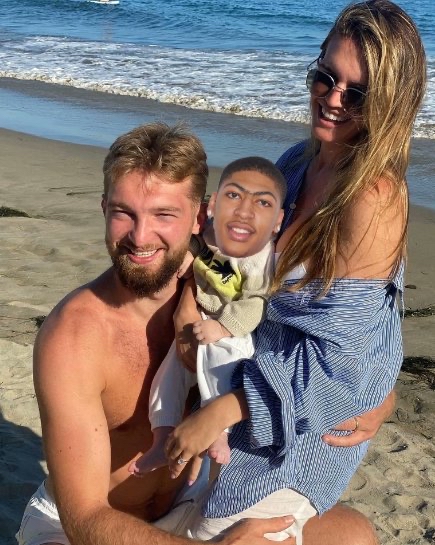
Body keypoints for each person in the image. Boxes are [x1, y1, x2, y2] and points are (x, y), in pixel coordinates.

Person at [15, 121, 392, 545]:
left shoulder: (222, 291)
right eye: (124, 212)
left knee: (353, 534)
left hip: (190, 503)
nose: (140, 237)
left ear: (200, 217)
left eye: (163, 215)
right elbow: (85, 519)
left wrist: (377, 393)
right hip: (84, 526)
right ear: (104, 208)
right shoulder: (74, 336)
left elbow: (324, 343)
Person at [165, 1, 426, 543]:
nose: (332, 99)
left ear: (391, 103)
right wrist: (189, 307)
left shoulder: (372, 199)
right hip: (239, 381)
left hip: (296, 430)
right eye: (325, 76)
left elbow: (343, 366)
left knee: (218, 530)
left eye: (357, 93)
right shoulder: (295, 164)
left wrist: (226, 410)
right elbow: (231, 260)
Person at [129, 157, 286, 476]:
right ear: (214, 203)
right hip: (200, 317)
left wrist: (223, 327)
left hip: (233, 331)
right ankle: (161, 436)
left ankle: (218, 432)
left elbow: (256, 302)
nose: (244, 211)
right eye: (234, 196)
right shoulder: (213, 232)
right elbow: (197, 243)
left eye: (262, 203)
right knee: (168, 376)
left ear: (277, 221)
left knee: (221, 368)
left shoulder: (260, 258)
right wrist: (190, 254)